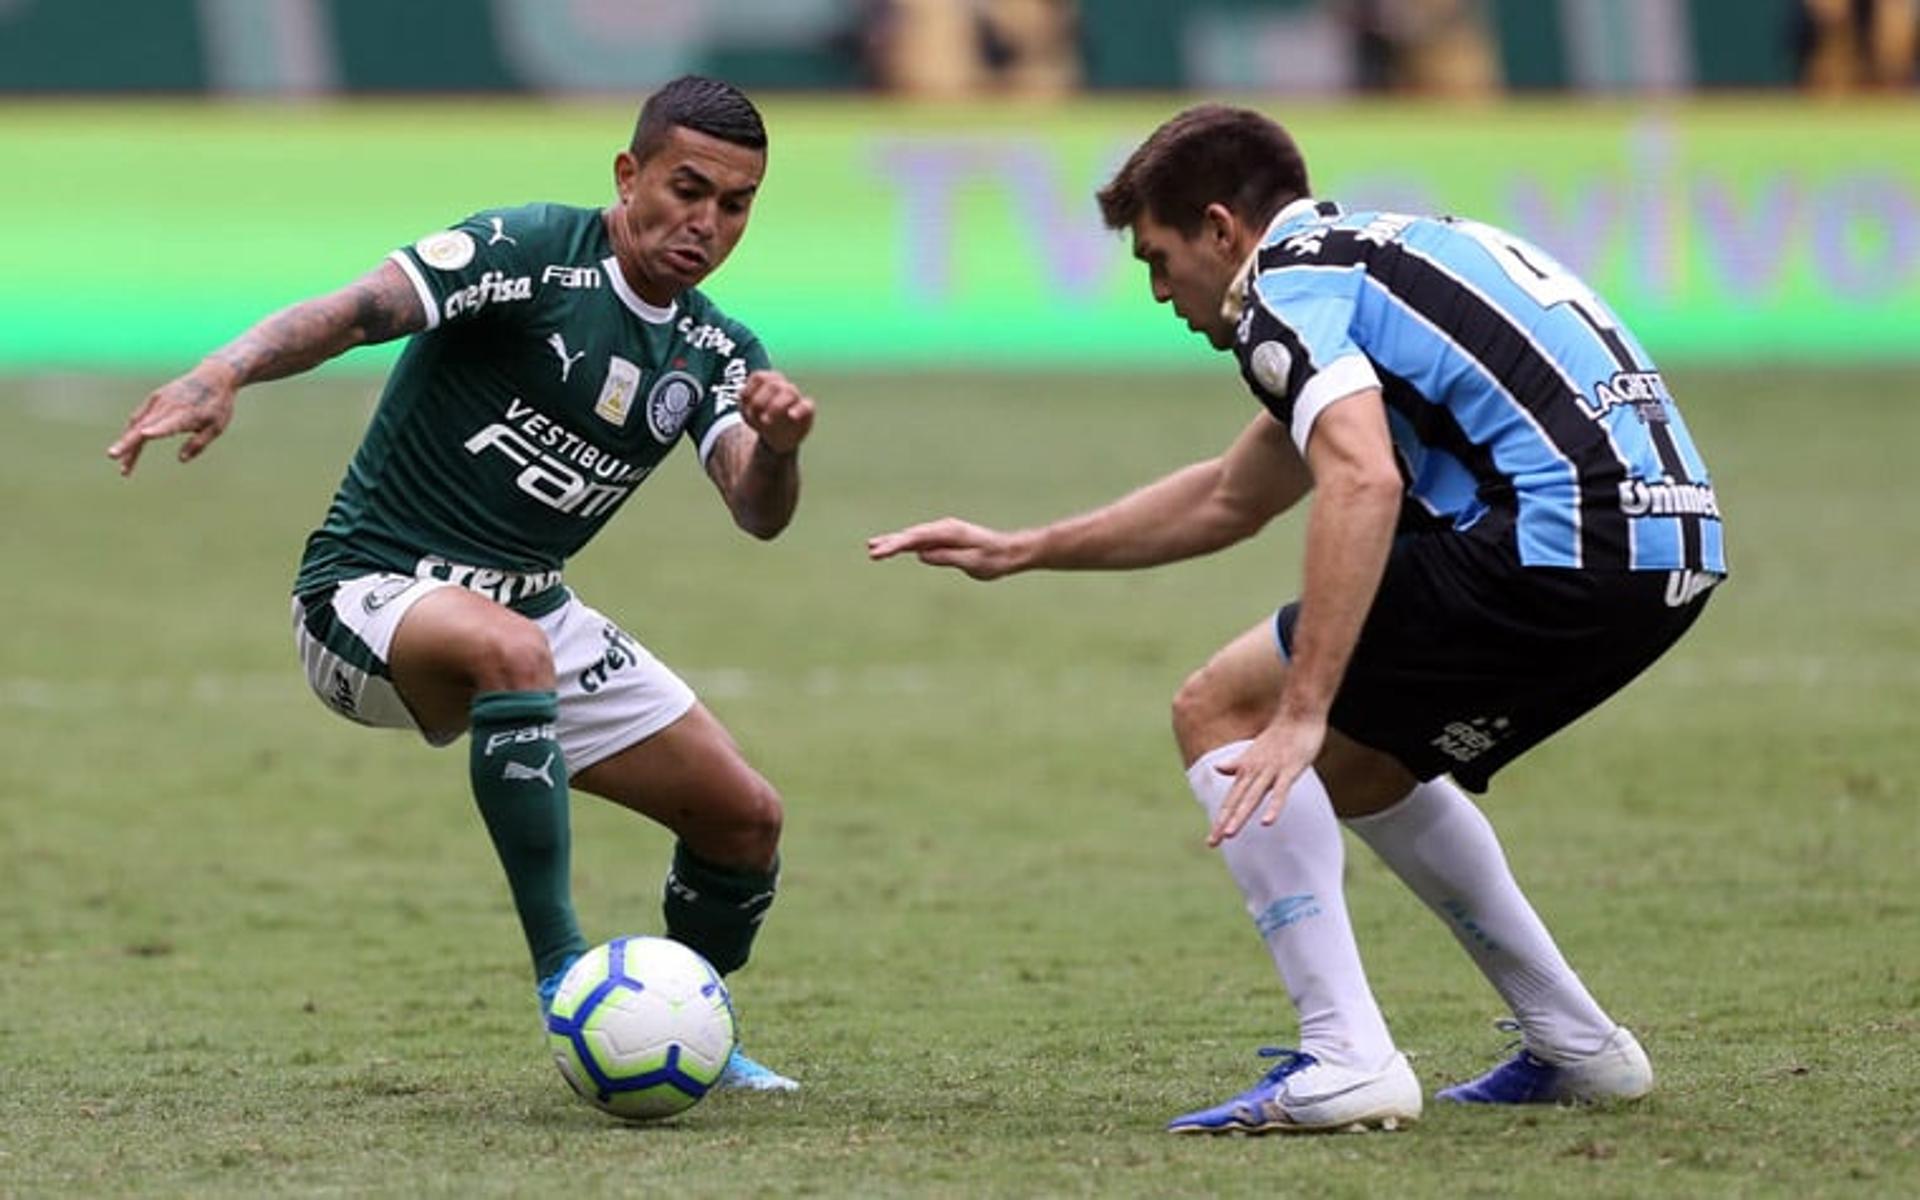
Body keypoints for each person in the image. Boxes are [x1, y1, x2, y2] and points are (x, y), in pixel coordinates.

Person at [869, 104, 1724, 1133]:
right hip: (1667, 555)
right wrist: (1026, 548)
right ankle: (1577, 1043)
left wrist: (1303, 705)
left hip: (1558, 540)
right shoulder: (1370, 262)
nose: (1158, 293)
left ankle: (1346, 1055)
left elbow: (1358, 480)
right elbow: (1236, 494)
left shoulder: (1283, 289)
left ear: (1224, 230)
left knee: (1222, 709)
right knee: (1367, 770)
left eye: (1158, 257)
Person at [108, 76, 813, 1093]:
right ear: (629, 175)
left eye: (734, 205)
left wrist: (781, 447)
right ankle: (567, 979)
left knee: (744, 820)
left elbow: (755, 508)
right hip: (367, 594)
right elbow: (360, 310)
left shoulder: (712, 349)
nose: (705, 223)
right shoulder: (527, 254)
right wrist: (227, 370)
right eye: (686, 189)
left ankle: (679, 1022)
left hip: (527, 602)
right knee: (510, 648)